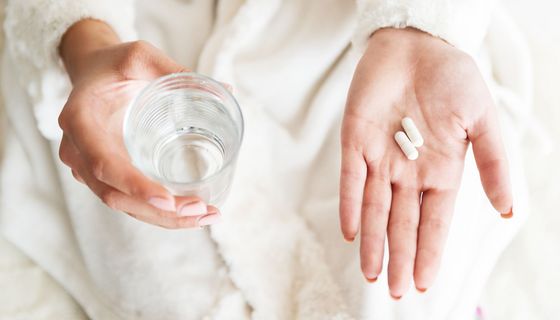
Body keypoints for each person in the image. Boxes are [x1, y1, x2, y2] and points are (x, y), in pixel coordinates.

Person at [1, 0, 530, 319]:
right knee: (167, 292)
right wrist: (84, 43)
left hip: (357, 36)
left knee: (400, 283)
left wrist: (419, 27)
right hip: (139, 37)